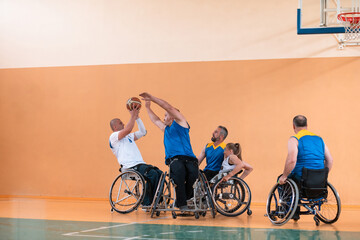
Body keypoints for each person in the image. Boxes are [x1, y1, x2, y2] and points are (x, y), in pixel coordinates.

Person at [140, 92, 198, 211]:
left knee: (193, 173)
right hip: (175, 159)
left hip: (189, 158)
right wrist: (147, 107)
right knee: (179, 171)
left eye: (166, 115)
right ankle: (182, 204)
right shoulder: (166, 129)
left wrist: (152, 98)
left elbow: (168, 107)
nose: (163, 117)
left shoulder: (181, 122)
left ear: (172, 116)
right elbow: (155, 120)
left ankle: (187, 198)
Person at [278, 115, 334, 220]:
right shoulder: (319, 139)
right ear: (307, 125)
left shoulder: (294, 139)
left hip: (301, 178)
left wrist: (284, 176)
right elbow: (330, 160)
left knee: (282, 181)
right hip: (319, 180)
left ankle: (290, 211)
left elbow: (292, 160)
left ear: (293, 126)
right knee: (295, 181)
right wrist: (322, 176)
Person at [109, 106, 162, 206]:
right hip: (130, 167)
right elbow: (128, 129)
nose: (123, 123)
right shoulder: (113, 137)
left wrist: (137, 117)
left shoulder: (128, 137)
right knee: (153, 174)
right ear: (115, 127)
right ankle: (147, 202)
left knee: (159, 173)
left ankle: (156, 200)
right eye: (120, 123)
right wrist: (132, 115)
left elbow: (142, 132)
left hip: (139, 165)